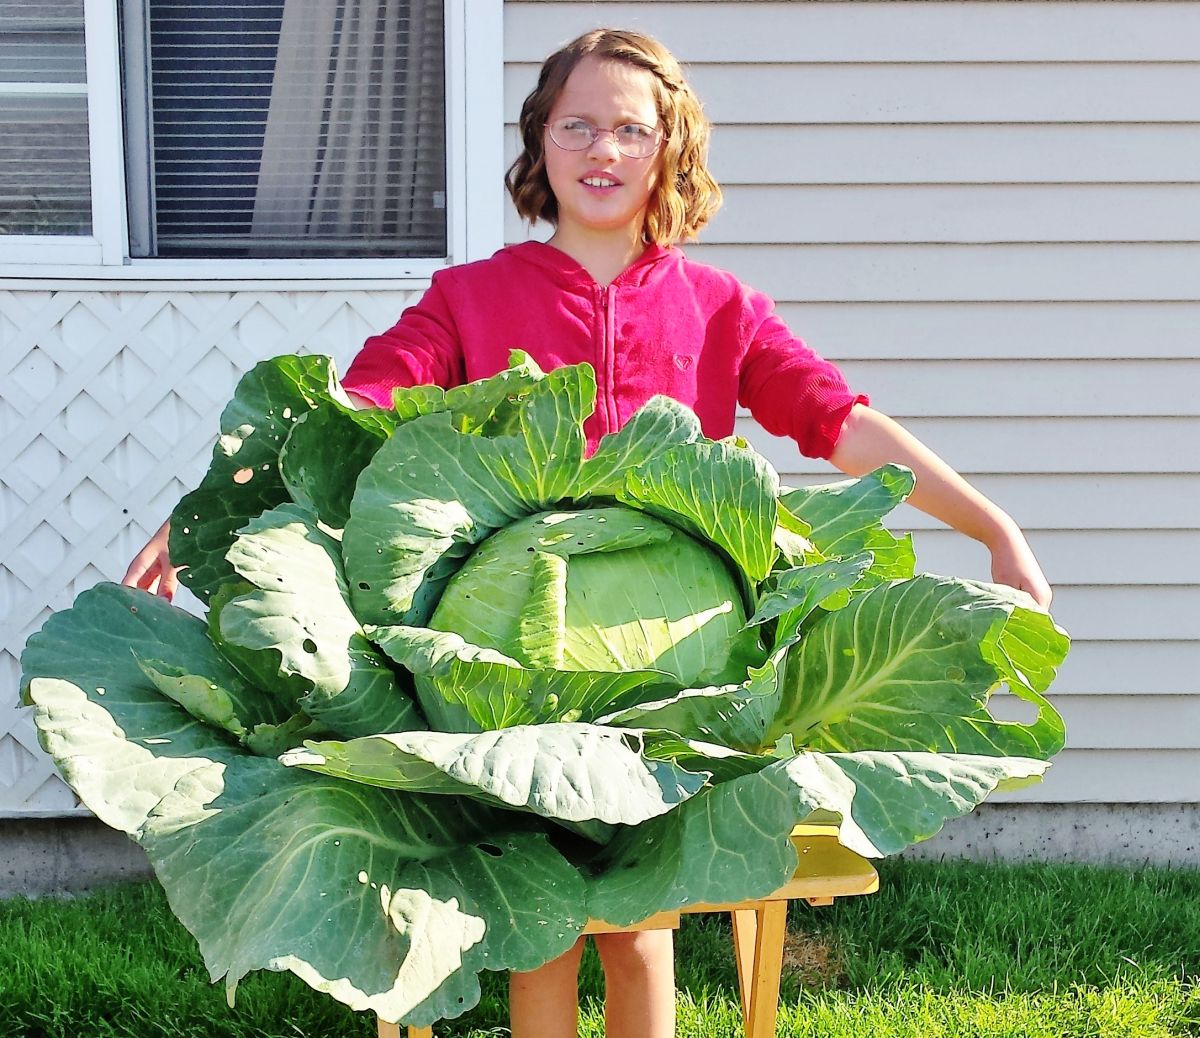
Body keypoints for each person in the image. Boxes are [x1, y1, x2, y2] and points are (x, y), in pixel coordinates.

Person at [124, 27, 1051, 1038]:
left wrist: (991, 524)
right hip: (501, 691)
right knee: (542, 927)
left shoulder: (719, 308)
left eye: (629, 130)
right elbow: (355, 403)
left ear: (671, 149)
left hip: (672, 693)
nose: (602, 152)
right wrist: (196, 518)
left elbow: (837, 419)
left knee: (640, 927)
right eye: (577, 127)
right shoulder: (471, 300)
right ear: (540, 146)